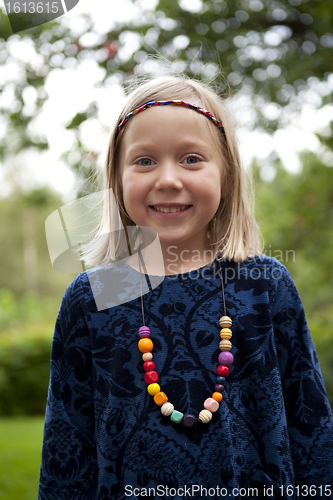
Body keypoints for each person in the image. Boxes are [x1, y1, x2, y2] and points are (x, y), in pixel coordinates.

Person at [38, 75, 333, 500]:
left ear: (226, 175)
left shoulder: (264, 285)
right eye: (144, 161)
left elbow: (313, 430)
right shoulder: (95, 295)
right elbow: (66, 445)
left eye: (192, 159)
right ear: (117, 180)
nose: (169, 179)